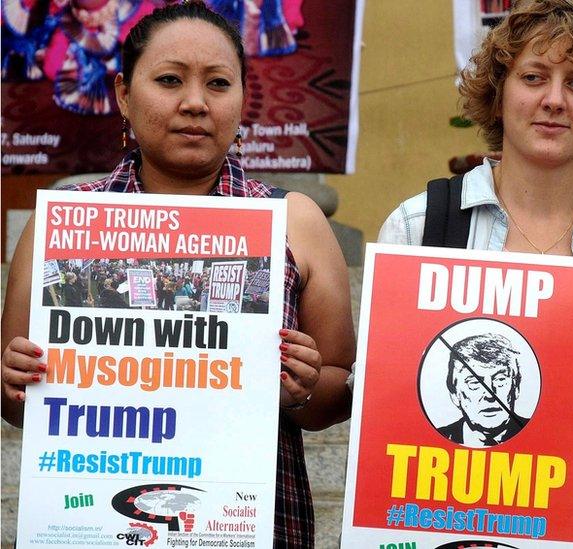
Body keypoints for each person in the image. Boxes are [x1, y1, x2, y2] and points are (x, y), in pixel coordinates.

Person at [0, 3, 356, 546]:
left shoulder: (295, 221)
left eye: (218, 83)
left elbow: (339, 391)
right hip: (90, 523)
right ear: (122, 94)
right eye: (169, 80)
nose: (194, 103)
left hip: (246, 523)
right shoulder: (64, 224)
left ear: (241, 97)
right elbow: (16, 401)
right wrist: (14, 381)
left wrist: (305, 389)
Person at [378, 1, 573, 546]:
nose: (553, 100)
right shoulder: (420, 227)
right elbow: (386, 412)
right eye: (533, 77)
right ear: (498, 93)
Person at [437, 333, 529, 447]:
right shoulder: (433, 440)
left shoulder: (539, 434)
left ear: (516, 388)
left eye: (500, 379)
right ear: (455, 395)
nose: (490, 395)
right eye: (474, 383)